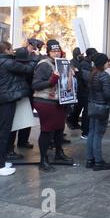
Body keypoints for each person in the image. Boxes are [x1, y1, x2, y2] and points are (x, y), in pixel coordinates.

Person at [32, 39, 73, 172]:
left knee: (60, 129)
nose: (56, 53)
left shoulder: (61, 63)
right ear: (48, 52)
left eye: (58, 51)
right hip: (46, 102)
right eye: (53, 51)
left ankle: (59, 154)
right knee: (47, 130)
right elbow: (36, 85)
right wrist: (53, 79)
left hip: (60, 101)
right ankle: (43, 160)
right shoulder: (43, 64)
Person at [86, 53, 110, 171]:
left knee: (91, 133)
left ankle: (90, 160)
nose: (109, 63)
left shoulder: (92, 74)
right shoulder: (104, 75)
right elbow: (108, 94)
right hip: (101, 108)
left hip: (92, 106)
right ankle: (98, 162)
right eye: (107, 61)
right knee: (98, 134)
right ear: (103, 63)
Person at [0, 41, 34, 176]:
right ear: (6, 50)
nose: (12, 52)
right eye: (11, 49)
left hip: (3, 98)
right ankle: (1, 165)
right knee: (4, 131)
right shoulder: (6, 62)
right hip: (7, 99)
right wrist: (33, 58)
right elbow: (28, 69)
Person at [6, 47, 37, 160]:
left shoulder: (12, 63)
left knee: (24, 121)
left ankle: (22, 142)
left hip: (22, 95)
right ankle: (10, 149)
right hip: (17, 96)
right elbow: (28, 70)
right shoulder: (12, 65)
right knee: (14, 124)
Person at [68, 47, 97, 140]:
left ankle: (74, 122)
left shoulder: (88, 63)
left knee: (81, 109)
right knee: (86, 112)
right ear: (90, 55)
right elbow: (87, 77)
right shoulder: (85, 64)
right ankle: (85, 132)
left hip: (84, 91)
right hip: (84, 91)